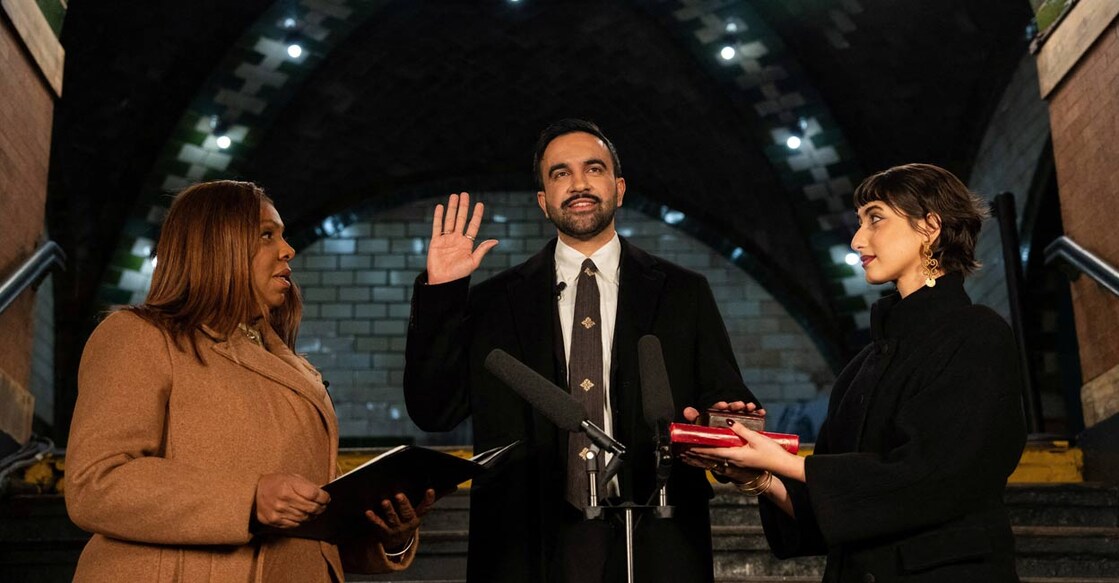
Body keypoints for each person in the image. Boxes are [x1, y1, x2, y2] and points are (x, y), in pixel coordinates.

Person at [404, 119, 761, 582]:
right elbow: (434, 410)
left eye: (594, 169)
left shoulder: (682, 293)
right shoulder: (494, 301)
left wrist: (724, 423)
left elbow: (724, 401)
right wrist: (443, 293)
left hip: (656, 533)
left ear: (619, 187)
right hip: (527, 543)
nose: (578, 183)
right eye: (559, 173)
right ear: (543, 201)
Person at [66, 180, 433, 582]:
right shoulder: (138, 335)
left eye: (283, 235)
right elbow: (96, 483)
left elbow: (309, 534)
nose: (288, 249)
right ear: (215, 244)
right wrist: (248, 499)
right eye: (266, 234)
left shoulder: (296, 370)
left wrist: (387, 535)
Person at [682, 163, 1027, 582]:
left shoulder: (978, 334)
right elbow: (835, 513)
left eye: (875, 218)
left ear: (930, 227)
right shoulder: (860, 369)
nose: (857, 239)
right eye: (859, 222)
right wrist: (762, 476)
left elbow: (934, 477)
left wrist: (786, 464)